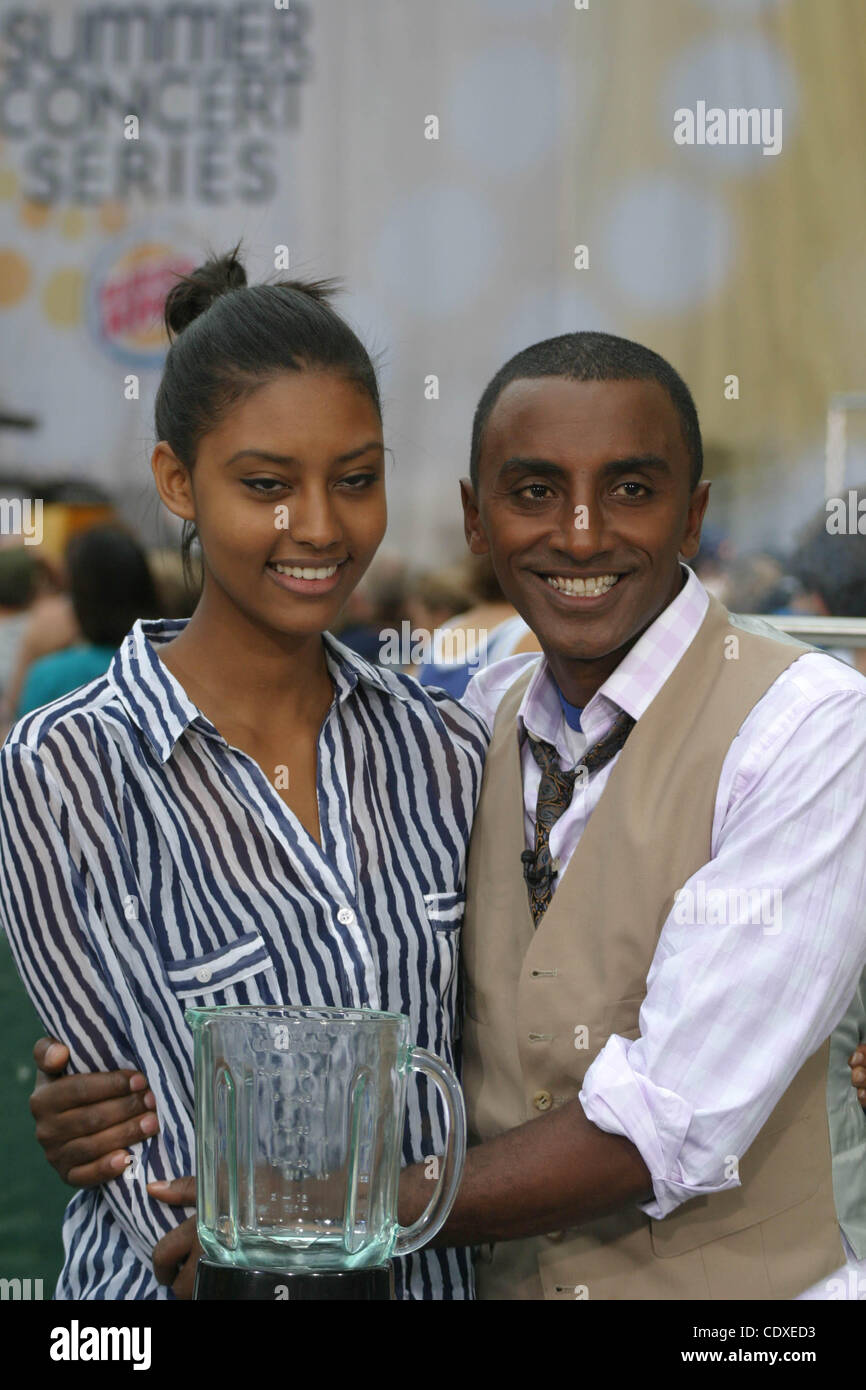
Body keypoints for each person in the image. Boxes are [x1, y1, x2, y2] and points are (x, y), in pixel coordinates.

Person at [25, 331, 866, 1301]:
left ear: (693, 514)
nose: (582, 533)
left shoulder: (805, 725)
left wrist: (330, 1207)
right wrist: (88, 1099)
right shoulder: (461, 725)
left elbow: (672, 1113)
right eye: (533, 490)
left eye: (630, 489)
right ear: (476, 518)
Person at [0, 248, 487, 1301]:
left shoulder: (446, 753)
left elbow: (489, 1061)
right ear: (178, 480)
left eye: (355, 480)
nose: (318, 525)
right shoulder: (67, 766)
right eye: (265, 484)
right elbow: (120, 1123)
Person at [15, 525, 160, 718]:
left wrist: (30, 652)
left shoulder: (51, 676)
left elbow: (18, 739)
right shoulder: (175, 664)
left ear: (80, 598)